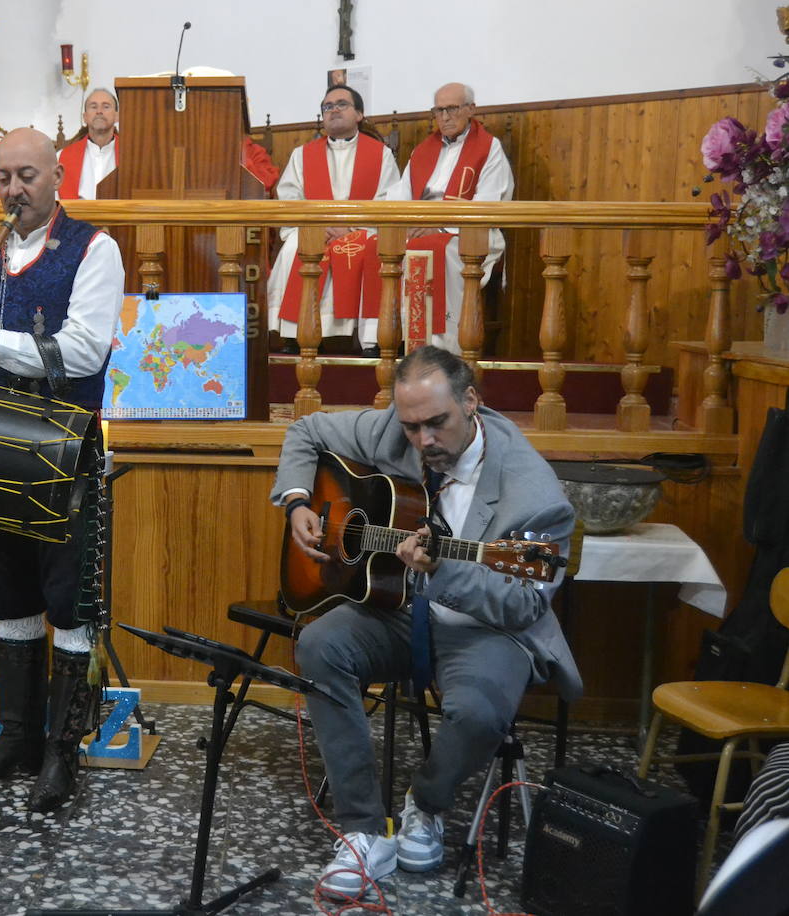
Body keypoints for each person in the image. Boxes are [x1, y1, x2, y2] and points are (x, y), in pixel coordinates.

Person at [270, 346, 580, 899]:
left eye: (437, 423)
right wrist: (297, 502)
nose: (423, 441)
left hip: (484, 625)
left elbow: (524, 604)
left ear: (471, 402)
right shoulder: (396, 430)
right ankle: (364, 831)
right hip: (400, 609)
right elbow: (306, 431)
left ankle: (427, 803)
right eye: (412, 427)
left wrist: (444, 572)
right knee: (320, 645)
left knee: (481, 711)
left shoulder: (533, 490)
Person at [0, 127, 125, 814]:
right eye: (4, 177)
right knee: (10, 596)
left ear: (58, 174)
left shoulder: (94, 251)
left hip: (61, 454)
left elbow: (82, 354)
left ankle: (61, 754)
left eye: (27, 176)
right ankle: (14, 737)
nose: (14, 190)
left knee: (68, 602)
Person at [267, 86, 399, 354]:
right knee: (295, 247)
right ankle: (295, 334)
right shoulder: (302, 155)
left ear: (359, 113)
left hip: (363, 228)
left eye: (341, 104)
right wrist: (317, 224)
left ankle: (371, 338)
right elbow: (290, 199)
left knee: (374, 249)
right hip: (314, 228)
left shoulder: (380, 154)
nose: (334, 110)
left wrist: (351, 226)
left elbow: (390, 199)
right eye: (328, 107)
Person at [389, 83, 515, 354]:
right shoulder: (423, 150)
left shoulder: (489, 148)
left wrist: (441, 225)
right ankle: (399, 340)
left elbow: (490, 201)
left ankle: (445, 349)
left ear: (471, 109)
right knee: (383, 247)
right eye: (438, 110)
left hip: (467, 230)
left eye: (452, 108)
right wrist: (410, 223)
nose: (444, 116)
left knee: (440, 250)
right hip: (420, 226)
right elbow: (400, 195)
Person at [58, 88, 119, 200]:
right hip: (75, 216)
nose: (99, 111)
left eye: (106, 106)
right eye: (93, 106)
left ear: (117, 116)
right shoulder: (62, 157)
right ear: (85, 117)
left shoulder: (132, 156)